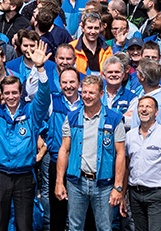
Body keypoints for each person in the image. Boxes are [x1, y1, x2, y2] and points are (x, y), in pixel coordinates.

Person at [54, 73, 127, 231]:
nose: (87, 96)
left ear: (101, 94)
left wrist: (118, 187)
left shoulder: (114, 119)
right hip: (76, 183)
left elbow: (120, 154)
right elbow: (64, 150)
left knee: (104, 227)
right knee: (75, 227)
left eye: (91, 92)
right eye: (84, 92)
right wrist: (59, 182)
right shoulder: (72, 117)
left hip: (103, 184)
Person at [0, 76, 45, 231]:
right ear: (2, 95)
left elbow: (43, 99)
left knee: (25, 225)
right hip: (0, 175)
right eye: (7, 93)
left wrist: (41, 70)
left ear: (20, 93)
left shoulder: (30, 113)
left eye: (14, 92)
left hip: (24, 176)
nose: (10, 97)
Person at [123, 93, 161, 231]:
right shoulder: (130, 136)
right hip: (135, 194)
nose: (144, 110)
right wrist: (123, 194)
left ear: (156, 112)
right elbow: (126, 167)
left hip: (157, 195)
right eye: (141, 106)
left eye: (148, 107)